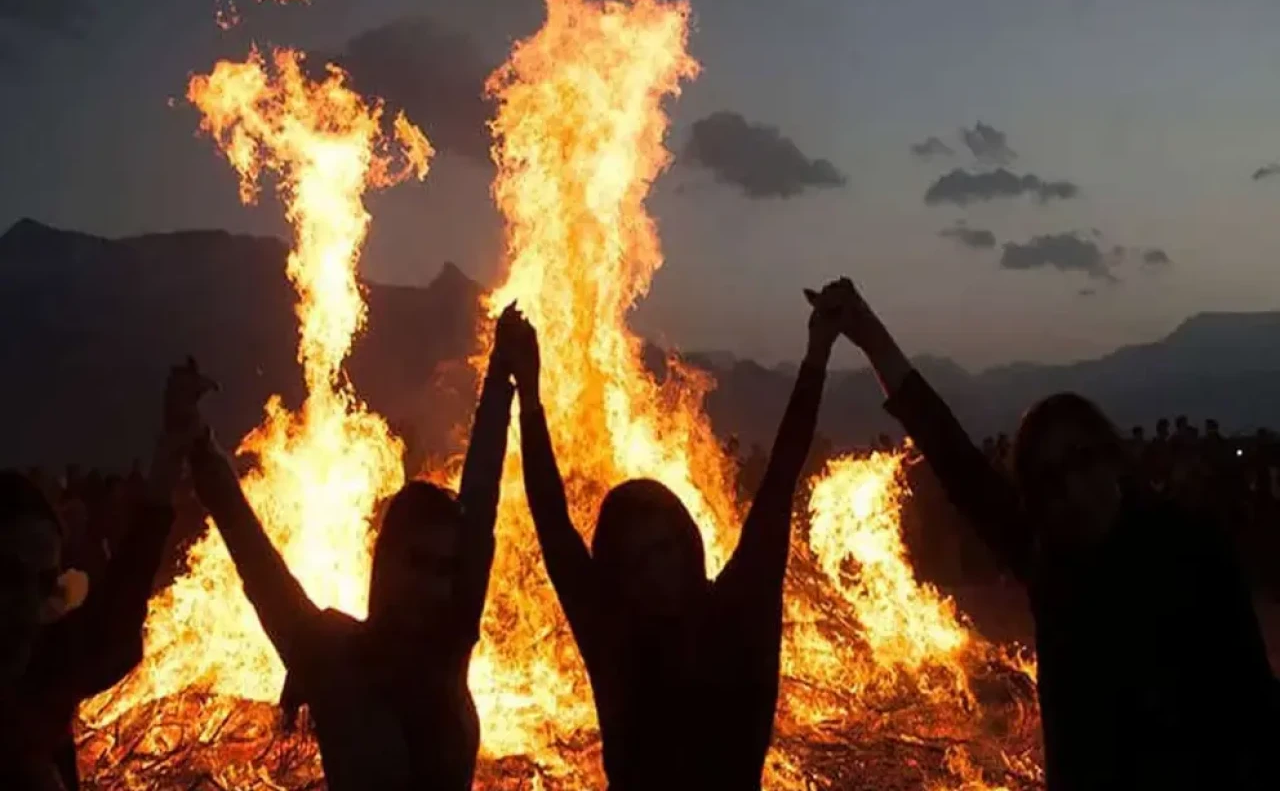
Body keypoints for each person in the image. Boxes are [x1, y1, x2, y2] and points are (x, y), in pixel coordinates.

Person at [813, 278, 1277, 789]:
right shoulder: (1051, 561)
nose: (1073, 488)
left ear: (1110, 456)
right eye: (1051, 478)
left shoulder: (1190, 551)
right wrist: (870, 334)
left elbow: (1254, 705)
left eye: (1080, 461)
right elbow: (952, 454)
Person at [508, 286, 841, 790]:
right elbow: (553, 526)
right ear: (617, 573)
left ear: (688, 543)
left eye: (663, 550)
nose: (656, 573)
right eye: (636, 562)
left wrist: (818, 352)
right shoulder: (614, 637)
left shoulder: (739, 609)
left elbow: (779, 479)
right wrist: (527, 395)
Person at [182, 308, 521, 791]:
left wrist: (501, 373)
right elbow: (254, 558)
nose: (430, 582)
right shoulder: (329, 656)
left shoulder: (448, 644)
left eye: (445, 569)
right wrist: (197, 441)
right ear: (386, 563)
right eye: (418, 562)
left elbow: (481, 500)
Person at [0, 360, 205, 791]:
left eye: (42, 583)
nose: (25, 605)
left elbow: (121, 606)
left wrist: (171, 450)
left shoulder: (45, 667)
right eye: (9, 577)